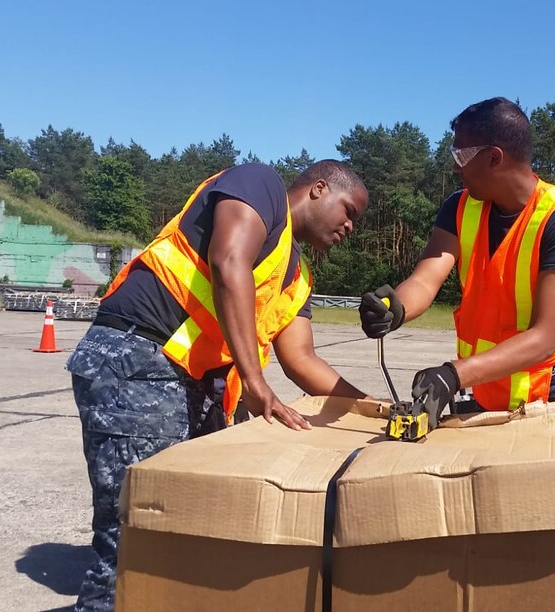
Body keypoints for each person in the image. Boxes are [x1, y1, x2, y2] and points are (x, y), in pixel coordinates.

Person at [66, 160, 371, 611]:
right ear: (318, 189)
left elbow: (301, 360)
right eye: (348, 210)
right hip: (139, 360)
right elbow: (229, 261)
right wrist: (253, 380)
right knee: (136, 541)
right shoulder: (260, 185)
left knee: (190, 533)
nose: (350, 226)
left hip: (190, 385)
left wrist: (374, 407)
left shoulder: (296, 276)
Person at [359, 97, 555, 419]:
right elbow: (425, 279)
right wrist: (395, 308)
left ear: (494, 157)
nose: (454, 166)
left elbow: (545, 337)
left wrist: (454, 374)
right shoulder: (459, 208)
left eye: (460, 154)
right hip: (491, 383)